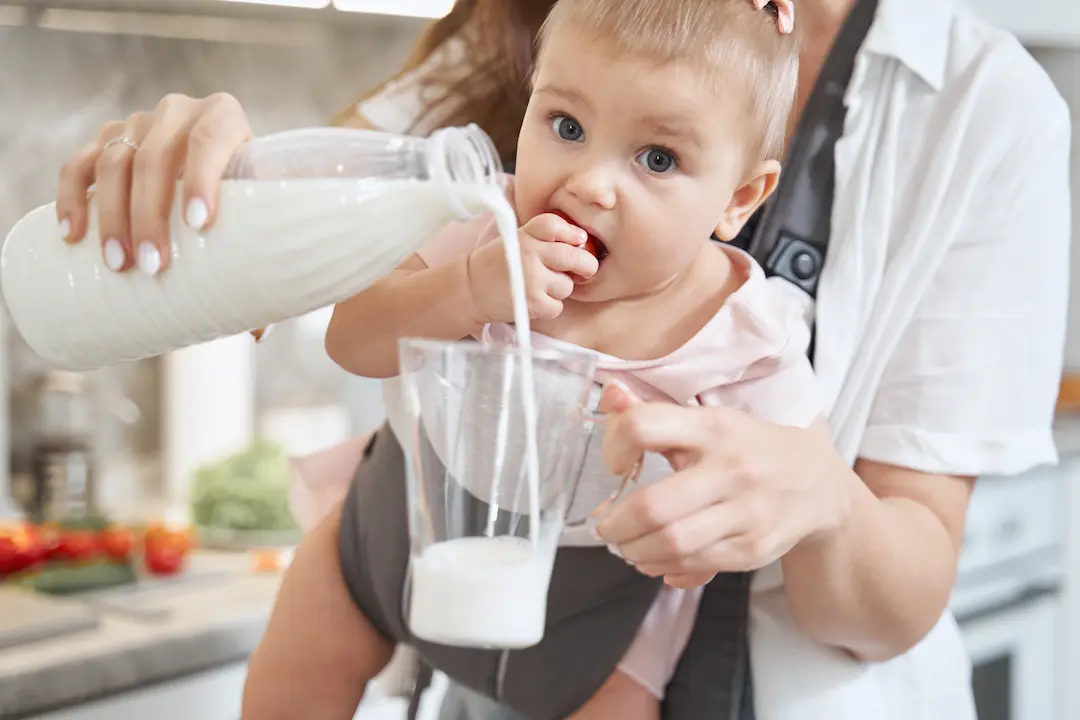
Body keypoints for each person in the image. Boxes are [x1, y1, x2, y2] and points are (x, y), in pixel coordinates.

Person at [51, 0, 1071, 718]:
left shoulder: (757, 326)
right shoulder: (489, 220)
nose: (591, 183)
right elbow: (337, 294)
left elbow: (899, 576)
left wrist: (821, 496)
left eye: (659, 159)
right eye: (566, 125)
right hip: (412, 556)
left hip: (621, 628)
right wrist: (228, 179)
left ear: (741, 199)